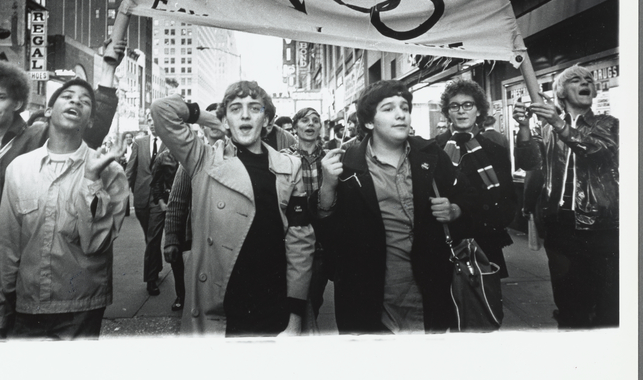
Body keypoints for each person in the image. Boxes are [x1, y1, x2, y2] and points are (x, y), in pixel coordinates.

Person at [0, 44, 123, 340]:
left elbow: (84, 125)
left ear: (17, 102)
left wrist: (106, 74)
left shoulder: (35, 135)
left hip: (25, 258)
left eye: (1, 97)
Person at [151, 81, 315, 336]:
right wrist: (216, 119)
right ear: (225, 121)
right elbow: (162, 109)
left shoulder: (290, 166)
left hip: (274, 299)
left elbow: (300, 242)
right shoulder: (202, 159)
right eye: (236, 108)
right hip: (221, 304)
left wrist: (294, 317)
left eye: (254, 108)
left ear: (268, 121)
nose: (246, 114)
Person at [314, 80, 476, 334]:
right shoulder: (346, 166)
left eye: (405, 107)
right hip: (369, 298)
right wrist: (327, 188)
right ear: (369, 122)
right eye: (388, 109)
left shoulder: (431, 155)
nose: (401, 114)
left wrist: (454, 209)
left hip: (427, 290)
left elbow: (467, 196)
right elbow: (329, 237)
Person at [0, 80, 128, 340]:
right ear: (49, 111)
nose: (76, 101)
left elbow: (96, 243)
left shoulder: (111, 173)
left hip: (81, 310)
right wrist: (0, 310)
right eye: (68, 96)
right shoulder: (19, 168)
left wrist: (91, 179)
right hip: (26, 305)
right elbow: (6, 244)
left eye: (85, 101)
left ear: (91, 121)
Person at [513, 65, 619, 329]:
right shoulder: (547, 129)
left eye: (589, 79)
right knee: (569, 302)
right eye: (575, 79)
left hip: (601, 228)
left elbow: (595, 151)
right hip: (560, 227)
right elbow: (528, 163)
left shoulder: (609, 124)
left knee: (608, 303)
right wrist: (524, 127)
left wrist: (558, 123)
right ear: (560, 91)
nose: (585, 82)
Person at [436, 79, 517, 276]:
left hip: (485, 240)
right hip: (446, 239)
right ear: (448, 113)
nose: (461, 111)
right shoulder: (434, 149)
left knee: (486, 301)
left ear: (478, 110)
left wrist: (493, 224)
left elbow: (507, 197)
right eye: (454, 106)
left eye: (468, 105)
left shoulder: (495, 150)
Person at [163, 103, 226, 312]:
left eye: (220, 118)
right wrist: (171, 239)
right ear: (203, 128)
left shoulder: (240, 157)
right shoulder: (193, 159)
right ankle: (183, 296)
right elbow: (177, 202)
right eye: (210, 120)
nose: (215, 124)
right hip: (197, 237)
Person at [282, 107, 333, 319]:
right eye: (304, 120)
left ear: (320, 127)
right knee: (294, 294)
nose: (310, 124)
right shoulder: (284, 159)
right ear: (295, 127)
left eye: (315, 120)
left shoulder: (330, 159)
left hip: (322, 239)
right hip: (293, 238)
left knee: (315, 296)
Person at [125, 111, 167, 296]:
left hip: (160, 199)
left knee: (153, 238)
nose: (151, 123)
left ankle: (150, 280)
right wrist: (122, 193)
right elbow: (130, 170)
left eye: (155, 120)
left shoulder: (170, 144)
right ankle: (156, 265)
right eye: (149, 120)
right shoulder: (139, 143)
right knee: (150, 238)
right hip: (141, 197)